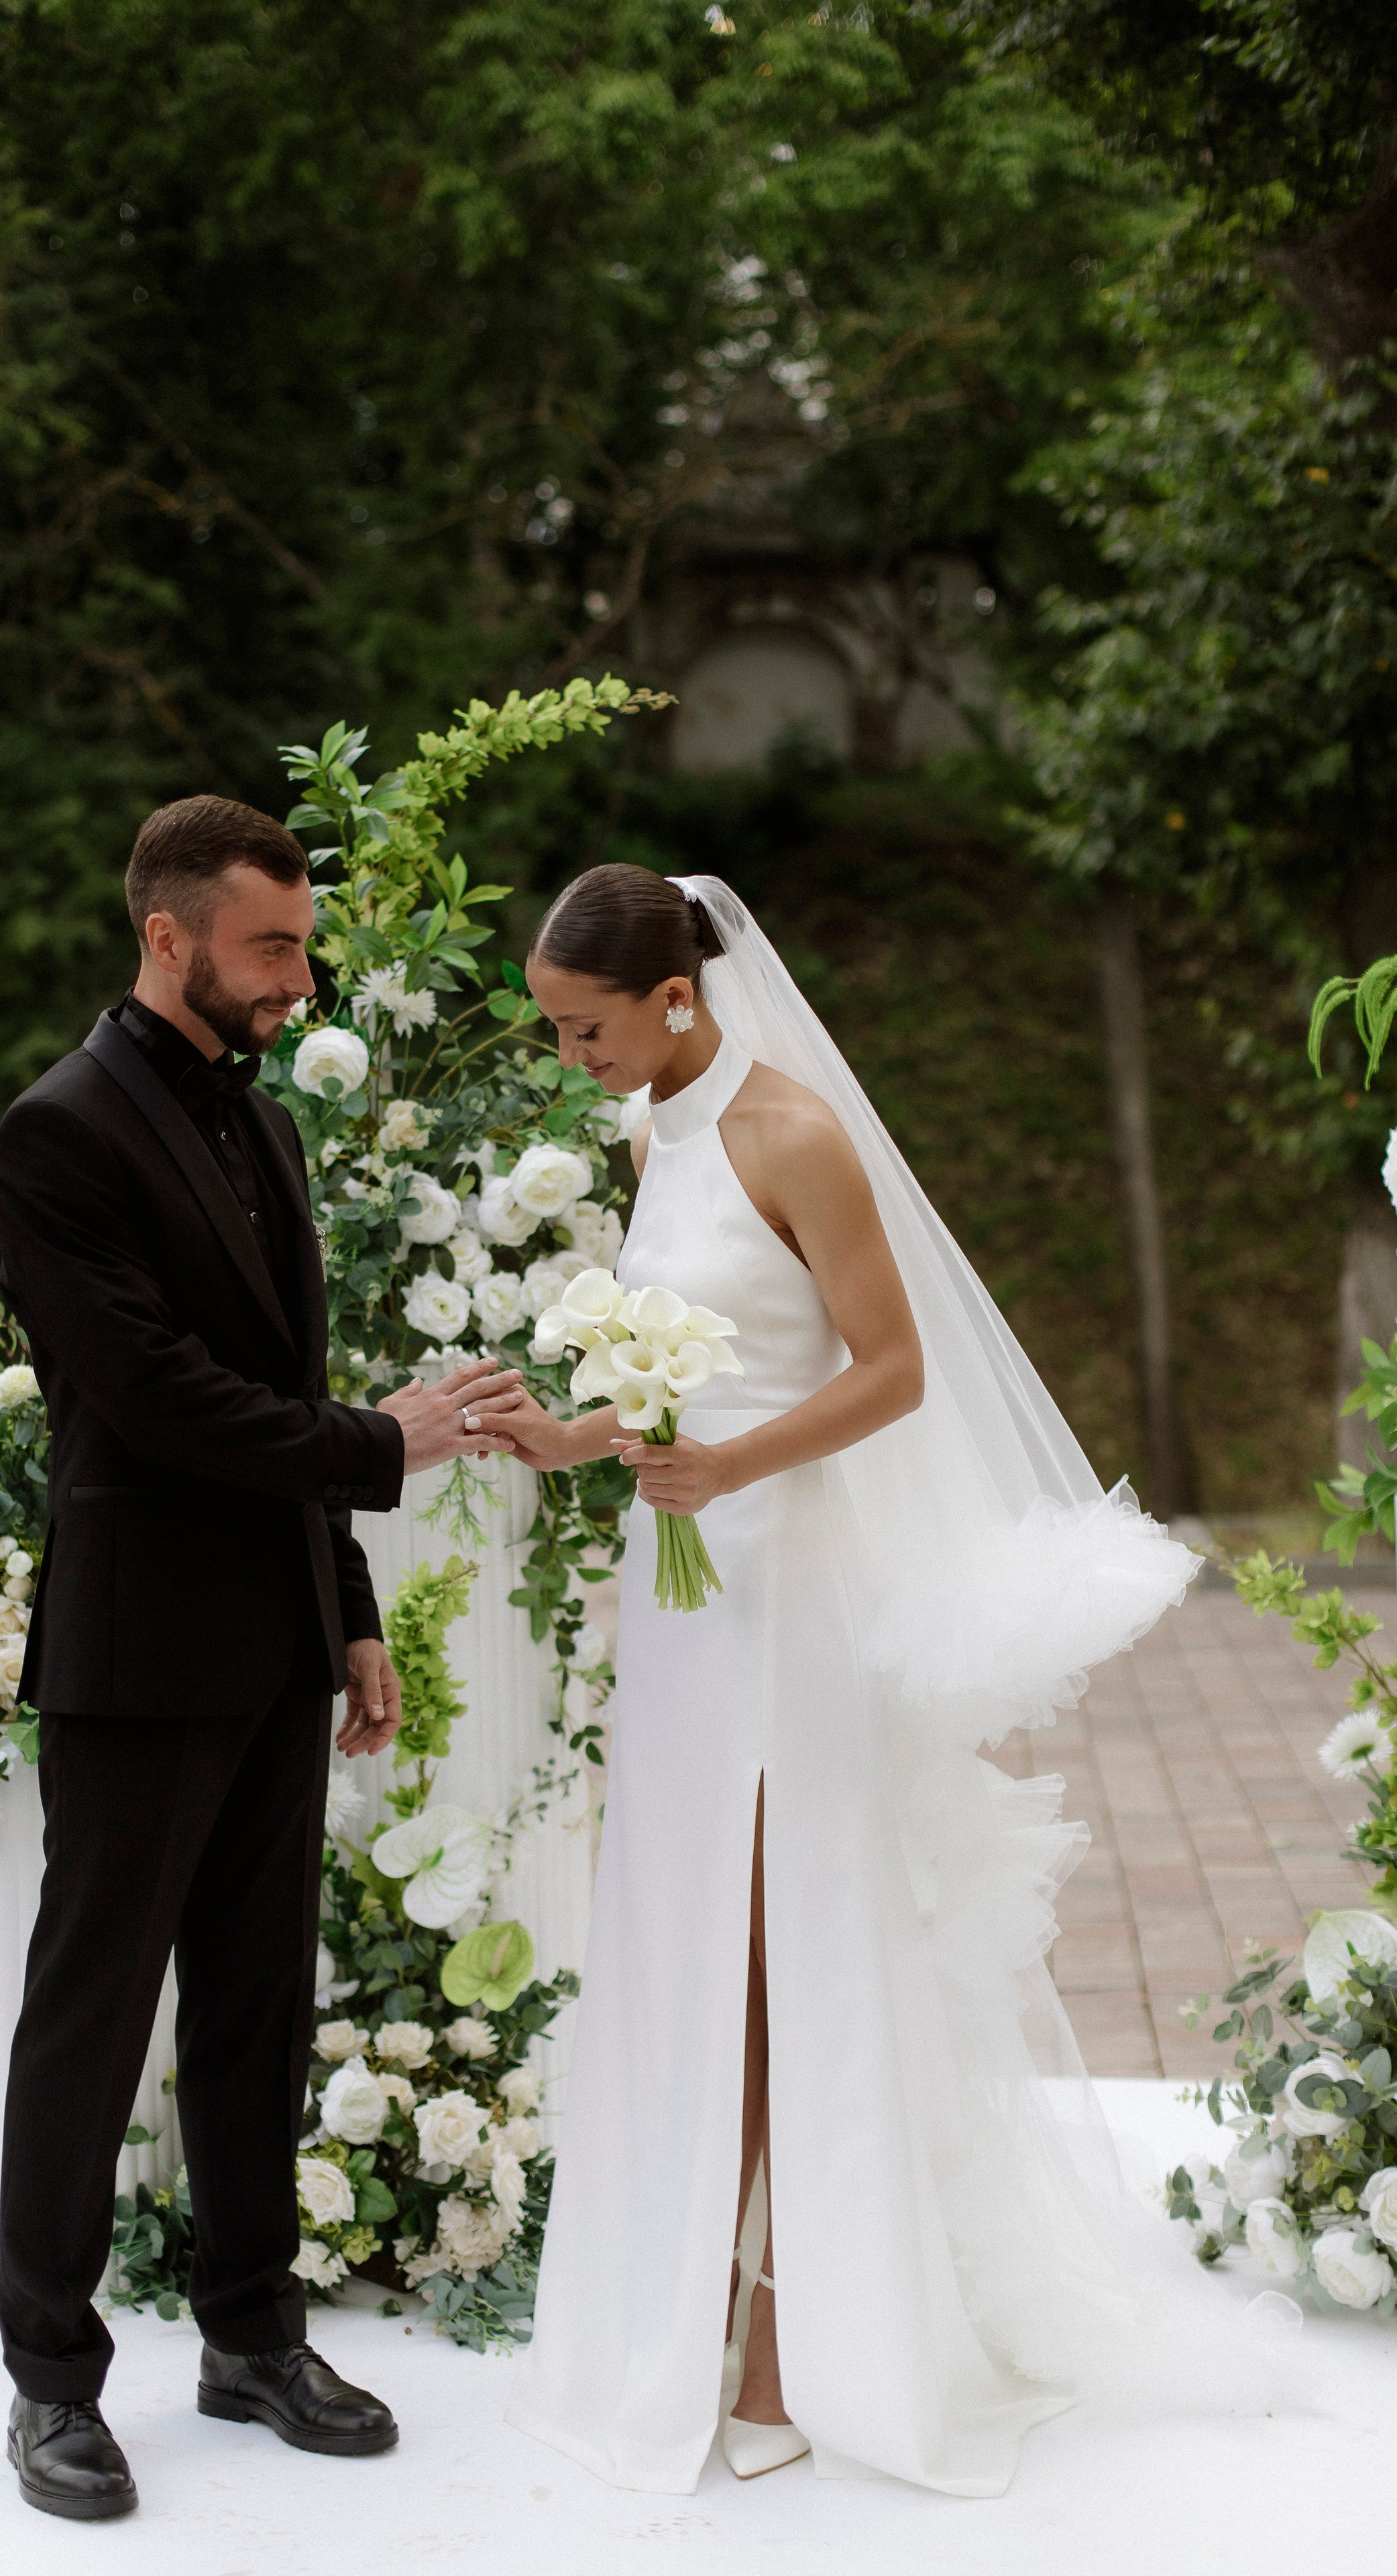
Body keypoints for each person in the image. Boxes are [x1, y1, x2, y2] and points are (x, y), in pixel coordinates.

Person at [498, 866, 1201, 2496]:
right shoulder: (644, 1132)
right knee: (681, 1940)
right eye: (557, 1032)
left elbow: (888, 1372)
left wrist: (726, 1465)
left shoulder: (788, 1135)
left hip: (790, 1597)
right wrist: (575, 1433)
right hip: (682, 1603)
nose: (569, 1060)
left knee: (771, 1945)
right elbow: (675, 1370)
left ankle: (775, 2345)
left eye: (583, 1029)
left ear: (676, 1000)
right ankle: (666, 2316)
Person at [0, 795, 524, 2520]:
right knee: (89, 2021)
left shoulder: (265, 1120)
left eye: (301, 944)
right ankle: (51, 2385)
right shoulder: (56, 1134)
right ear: (170, 938)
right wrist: (385, 1443)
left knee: (253, 2014)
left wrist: (350, 1612)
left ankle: (247, 2337)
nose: (298, 978)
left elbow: (278, 1386)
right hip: (135, 1655)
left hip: (276, 1643)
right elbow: (150, 1399)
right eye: (271, 948)